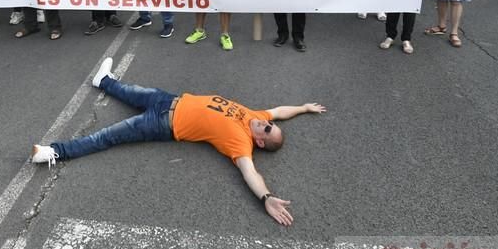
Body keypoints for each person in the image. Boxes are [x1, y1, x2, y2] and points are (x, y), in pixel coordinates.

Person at [30, 57, 329, 226]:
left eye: (266, 131)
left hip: (162, 123)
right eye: (269, 125)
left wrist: (266, 198)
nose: (266, 123)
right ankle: (104, 81)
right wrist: (303, 108)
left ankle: (54, 152)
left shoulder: (240, 142)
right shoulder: (256, 115)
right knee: (130, 90)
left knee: (107, 136)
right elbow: (279, 111)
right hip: (169, 99)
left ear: (259, 143)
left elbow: (251, 172)